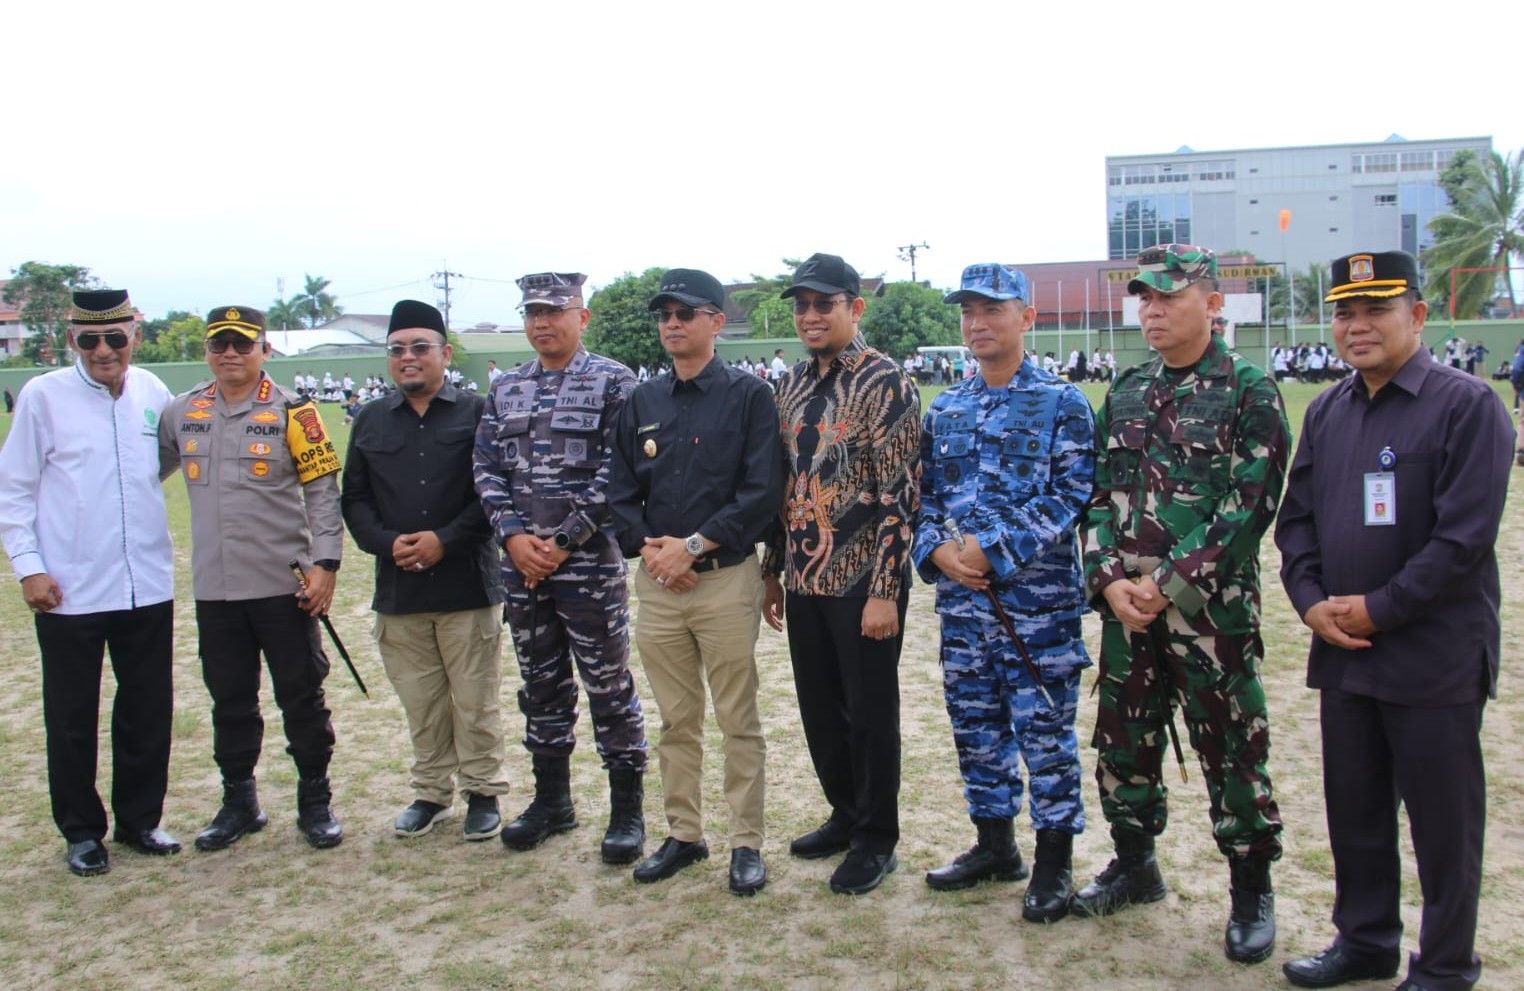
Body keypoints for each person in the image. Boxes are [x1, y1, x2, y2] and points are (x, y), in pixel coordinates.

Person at [1276, 251, 1513, 991]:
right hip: (1345, 649)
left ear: (1417, 314)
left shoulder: (1468, 405)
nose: (1357, 325)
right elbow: (1297, 524)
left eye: (1376, 308)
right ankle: (1367, 939)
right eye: (1345, 311)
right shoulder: (1328, 410)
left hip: (1432, 655)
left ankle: (1445, 964)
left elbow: (1462, 540)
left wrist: (1380, 607)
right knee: (1356, 811)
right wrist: (1311, 600)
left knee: (1445, 825)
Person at [1075, 244, 1289, 965]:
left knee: (1232, 746)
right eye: (1145, 298)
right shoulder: (1128, 388)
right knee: (1122, 743)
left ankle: (1250, 888)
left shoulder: (1247, 390)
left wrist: (1165, 583)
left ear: (1213, 302)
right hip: (1126, 612)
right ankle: (1135, 865)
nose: (1153, 310)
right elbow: (1098, 495)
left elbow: (1248, 505)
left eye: (1169, 296)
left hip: (1208, 614)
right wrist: (1108, 578)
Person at [912, 264, 1095, 923]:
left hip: (1037, 610)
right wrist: (935, 550)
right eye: (967, 310)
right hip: (963, 608)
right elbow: (925, 497)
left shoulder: (1061, 403)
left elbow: (1070, 495)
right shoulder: (946, 409)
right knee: (976, 729)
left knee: (1045, 734)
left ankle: (1053, 861)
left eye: (992, 308)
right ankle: (995, 845)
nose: (977, 322)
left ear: (1027, 317)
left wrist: (993, 547)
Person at [607, 268, 784, 893]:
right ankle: (683, 834)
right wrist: (654, 554)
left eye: (685, 312)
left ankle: (746, 843)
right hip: (660, 586)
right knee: (677, 720)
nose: (672, 324)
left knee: (738, 717)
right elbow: (620, 492)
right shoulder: (642, 401)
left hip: (722, 580)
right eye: (665, 315)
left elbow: (762, 493)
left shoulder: (748, 397)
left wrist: (692, 546)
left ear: (716, 321)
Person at [473, 271, 649, 866]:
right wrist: (515, 537)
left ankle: (627, 810)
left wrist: (565, 539)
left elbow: (619, 471)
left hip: (587, 567)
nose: (542, 323)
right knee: (540, 684)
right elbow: (486, 468)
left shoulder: (613, 381)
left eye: (554, 310)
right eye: (532, 313)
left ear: (583, 316)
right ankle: (553, 802)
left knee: (607, 684)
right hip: (522, 568)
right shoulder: (506, 387)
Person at [0, 289, 178, 877]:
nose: (105, 350)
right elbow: (15, 488)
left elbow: (169, 460)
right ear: (71, 340)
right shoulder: (43, 397)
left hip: (145, 582)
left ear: (134, 336)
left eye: (116, 338)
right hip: (69, 587)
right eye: (90, 339)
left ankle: (139, 821)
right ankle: (81, 831)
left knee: (147, 709)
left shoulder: (154, 392)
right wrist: (29, 565)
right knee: (72, 715)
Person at [761, 253, 921, 896]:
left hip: (864, 582)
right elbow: (783, 486)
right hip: (804, 577)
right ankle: (845, 814)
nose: (809, 316)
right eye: (801, 305)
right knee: (820, 709)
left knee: (870, 712)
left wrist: (886, 591)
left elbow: (902, 494)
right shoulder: (792, 383)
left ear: (854, 308)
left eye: (823, 304)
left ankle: (877, 836)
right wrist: (774, 571)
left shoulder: (888, 383)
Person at [160, 305, 346, 852]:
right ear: (207, 351)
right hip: (215, 589)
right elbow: (144, 471)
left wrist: (326, 564)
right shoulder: (182, 412)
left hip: (282, 586)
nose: (231, 354)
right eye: (220, 344)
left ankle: (315, 800)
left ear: (264, 349)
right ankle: (239, 801)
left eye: (243, 344)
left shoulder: (297, 411)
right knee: (230, 700)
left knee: (301, 696)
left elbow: (322, 493)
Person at [341, 300, 510, 842]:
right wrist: (390, 545)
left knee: (475, 698)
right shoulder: (369, 420)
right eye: (397, 350)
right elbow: (355, 501)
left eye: (420, 347)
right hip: (400, 589)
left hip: (467, 585)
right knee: (422, 701)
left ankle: (483, 791)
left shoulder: (479, 412)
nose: (408, 358)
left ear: (445, 354)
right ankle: (431, 792)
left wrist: (445, 540)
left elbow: (495, 493)